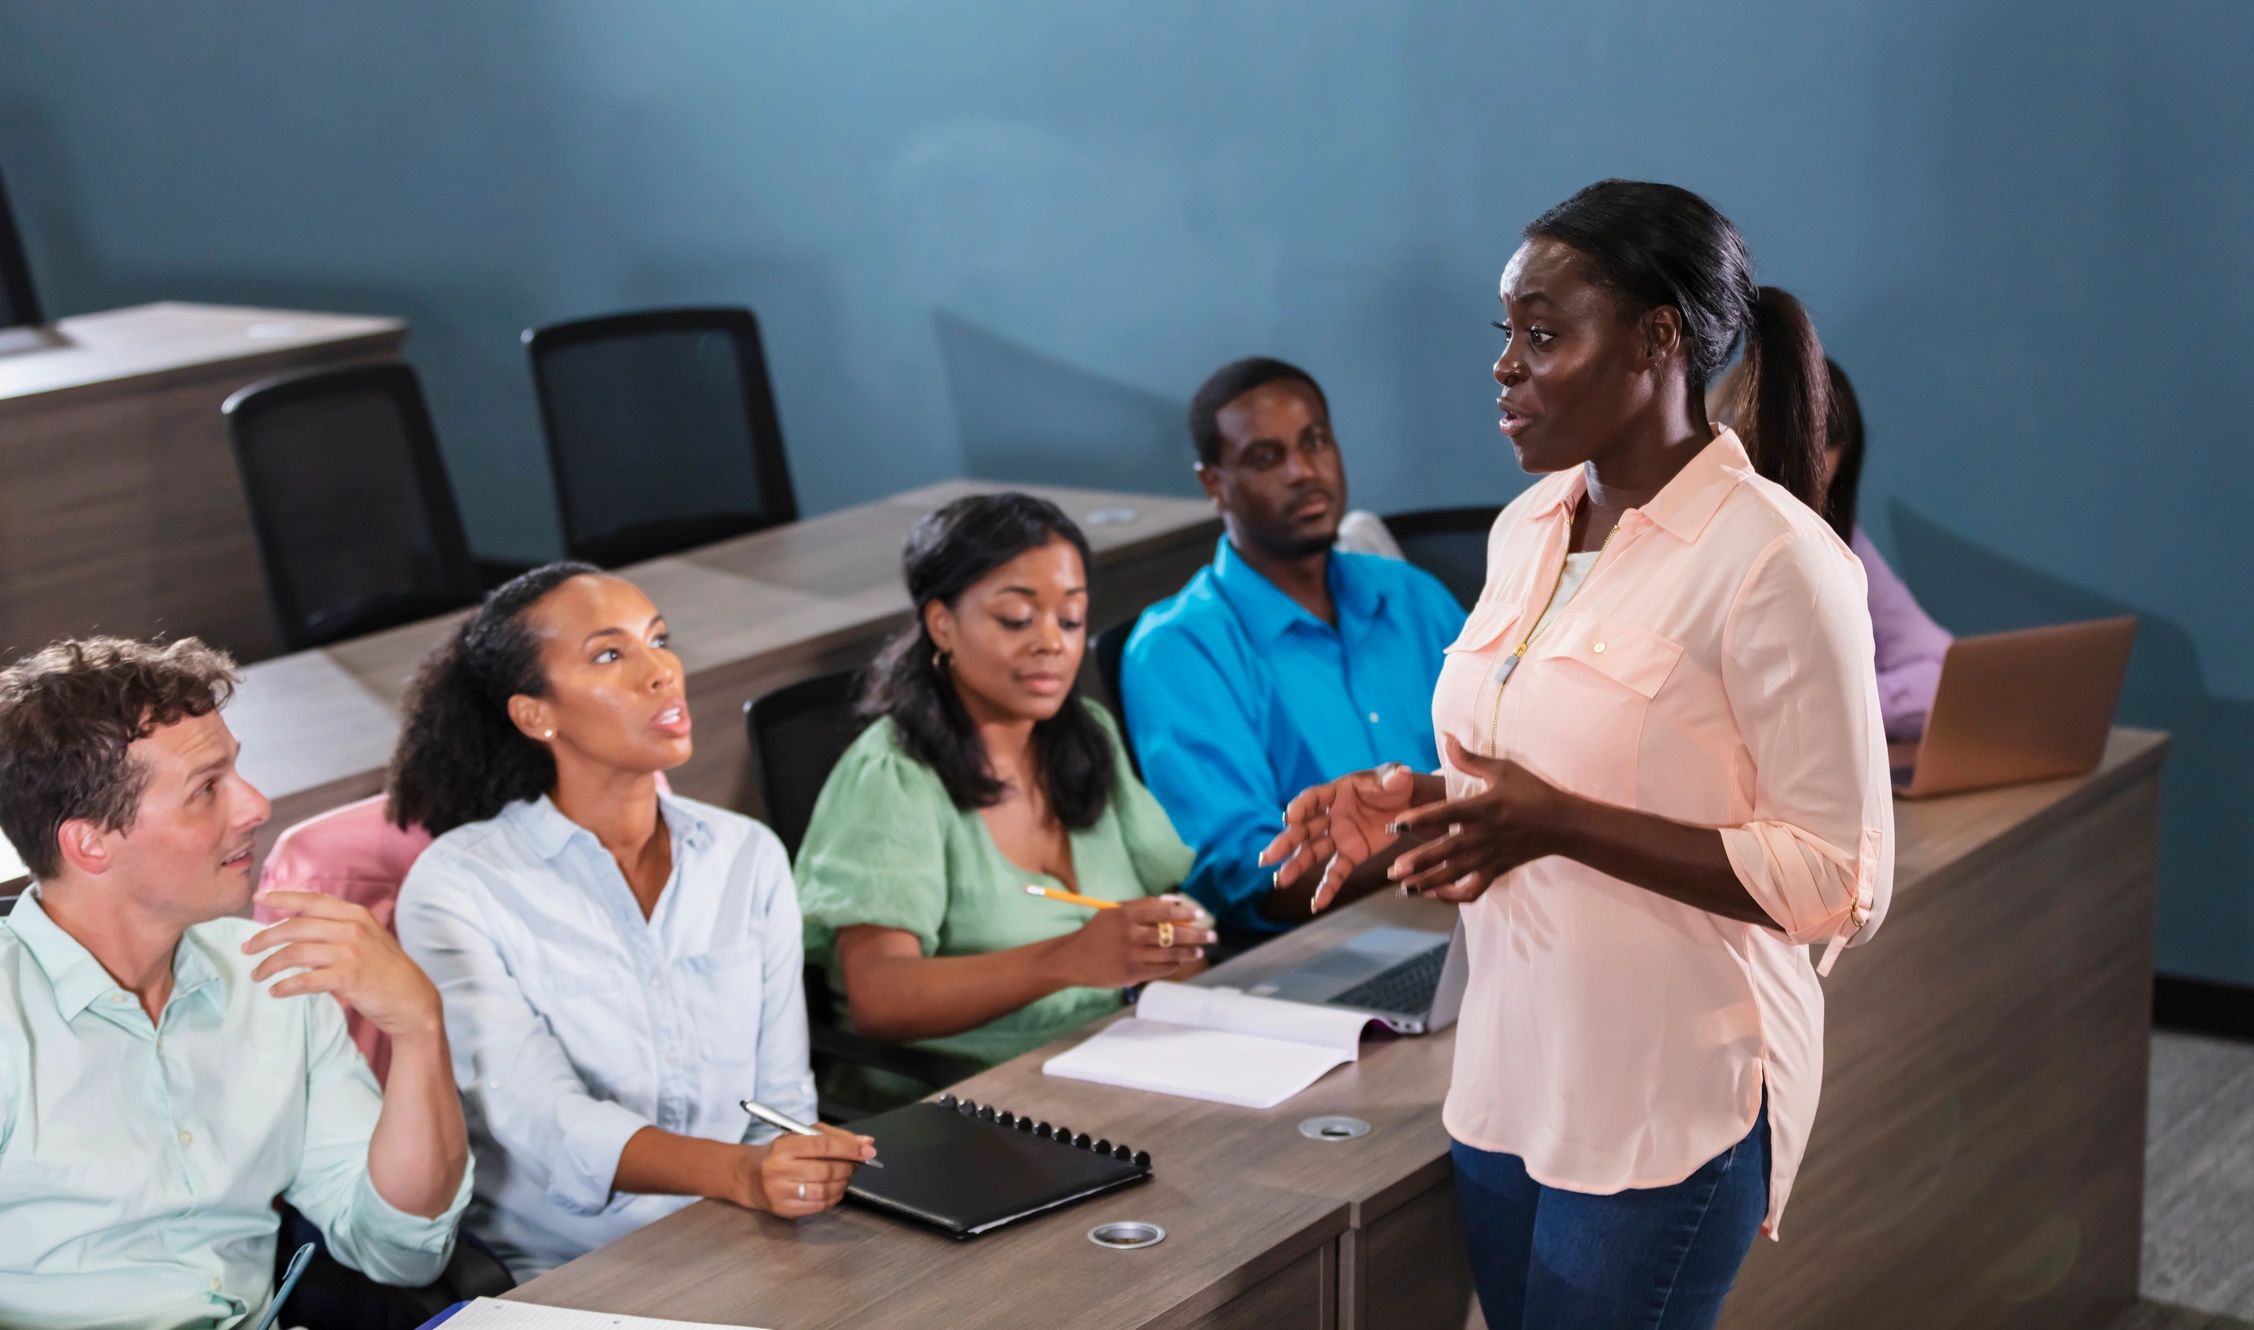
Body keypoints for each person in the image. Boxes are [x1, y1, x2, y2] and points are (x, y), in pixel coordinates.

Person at [1264, 181, 1893, 1329]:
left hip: (1671, 1098)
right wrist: (1419, 799)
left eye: (1543, 334)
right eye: (1506, 333)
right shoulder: (1529, 527)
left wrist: (1554, 821)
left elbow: (1835, 880)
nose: (1505, 366)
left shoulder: (1775, 561)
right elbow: (1543, 768)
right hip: (1510, 1072)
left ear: (1659, 339)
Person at [388, 563, 873, 1278]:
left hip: (752, 1234)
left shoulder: (745, 854)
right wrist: (739, 1173)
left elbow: (781, 1102)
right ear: (534, 714)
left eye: (659, 640)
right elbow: (544, 1122)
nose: (661, 673)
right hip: (574, 1267)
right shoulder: (459, 887)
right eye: (610, 655)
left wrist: (801, 1162)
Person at [0, 637, 472, 1330]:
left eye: (237, 773)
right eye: (207, 789)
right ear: (89, 843)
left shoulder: (275, 972)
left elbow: (400, 1252)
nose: (255, 805)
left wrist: (420, 1030)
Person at [795, 493, 1212, 1103]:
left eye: (1070, 620)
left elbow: (1168, 913)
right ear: (942, 624)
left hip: (1114, 1065)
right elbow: (881, 1000)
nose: (1053, 643)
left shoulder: (1085, 732)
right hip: (966, 1106)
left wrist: (1170, 938)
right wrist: (1068, 958)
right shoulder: (893, 774)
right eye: (1017, 619)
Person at [1120, 357, 1468, 935]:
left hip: (1472, 895)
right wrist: (1452, 830)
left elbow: (1508, 753)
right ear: (1214, 484)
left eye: (1316, 442)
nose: (1303, 471)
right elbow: (1248, 877)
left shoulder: (1410, 596)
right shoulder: (1178, 647)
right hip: (1327, 941)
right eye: (1266, 458)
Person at [1714, 355, 1952, 740]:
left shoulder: (1838, 540)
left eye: (1821, 491)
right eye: (1788, 489)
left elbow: (1940, 668)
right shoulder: (1701, 546)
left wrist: (1850, 703)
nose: (1804, 514)